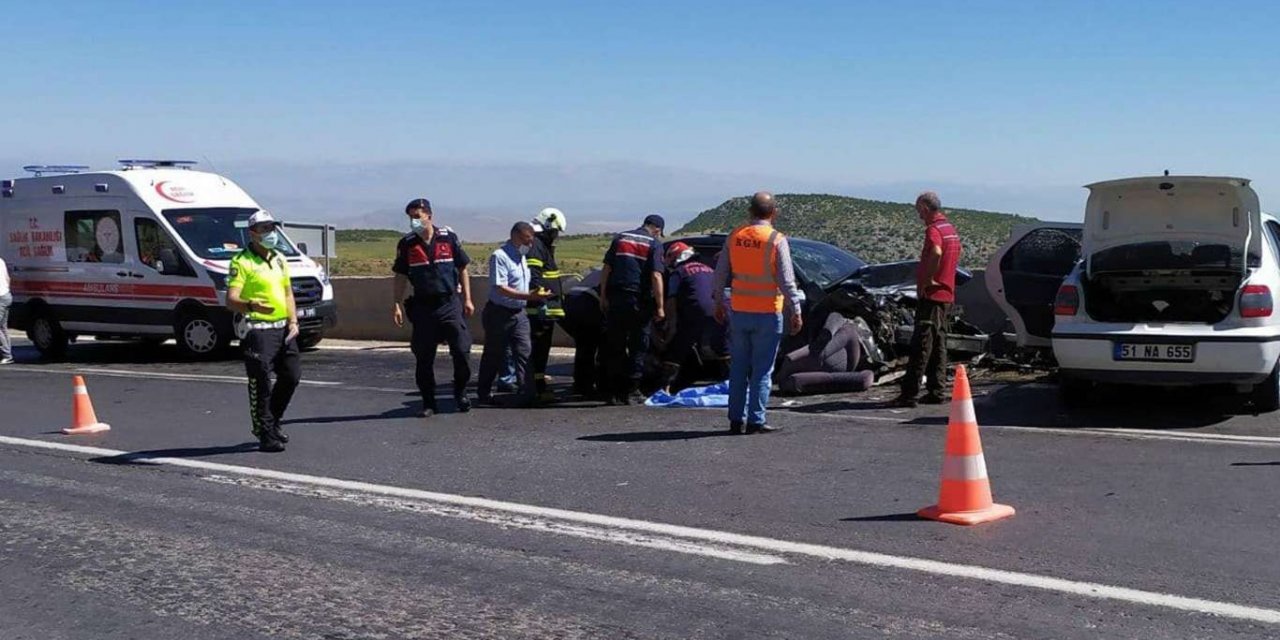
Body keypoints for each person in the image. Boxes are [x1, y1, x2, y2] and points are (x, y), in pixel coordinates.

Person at [713, 192, 804, 434]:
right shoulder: (775, 239)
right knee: (762, 370)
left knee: (739, 367)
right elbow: (787, 280)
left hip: (740, 311)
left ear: (750, 212)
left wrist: (719, 303)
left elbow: (720, 273)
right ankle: (755, 420)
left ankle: (735, 419)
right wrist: (795, 309)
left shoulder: (735, 236)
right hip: (767, 313)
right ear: (773, 213)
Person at [392, 198, 475, 418]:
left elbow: (463, 268)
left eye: (417, 217)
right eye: (410, 218)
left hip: (449, 304)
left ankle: (460, 393)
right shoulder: (407, 244)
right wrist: (396, 304)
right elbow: (400, 276)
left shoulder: (448, 239)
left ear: (429, 216)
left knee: (461, 350)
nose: (414, 222)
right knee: (424, 357)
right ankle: (429, 402)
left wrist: (467, 299)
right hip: (423, 307)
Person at [226, 210, 300, 452]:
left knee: (291, 376)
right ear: (253, 233)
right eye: (264, 229)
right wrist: (251, 305)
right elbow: (231, 299)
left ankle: (273, 421)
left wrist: (293, 321)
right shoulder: (242, 262)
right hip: (258, 330)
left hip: (283, 328)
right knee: (261, 383)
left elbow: (288, 293)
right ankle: (265, 432)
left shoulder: (279, 259)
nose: (270, 233)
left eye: (272, 228)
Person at [894, 191, 963, 408]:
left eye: (919, 211)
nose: (919, 216)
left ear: (925, 207)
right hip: (946, 294)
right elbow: (954, 253)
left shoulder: (934, 230)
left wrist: (929, 279)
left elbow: (935, 250)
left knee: (922, 344)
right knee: (939, 343)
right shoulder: (950, 230)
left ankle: (909, 394)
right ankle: (936, 389)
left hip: (933, 295)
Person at [476, 222, 548, 407]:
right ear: (516, 236)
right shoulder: (500, 256)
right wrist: (529, 296)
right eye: (526, 240)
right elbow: (500, 288)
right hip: (500, 313)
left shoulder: (521, 256)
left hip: (519, 313)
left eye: (531, 240)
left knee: (525, 352)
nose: (530, 244)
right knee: (494, 354)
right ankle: (483, 394)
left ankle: (528, 393)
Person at [599, 214, 665, 405]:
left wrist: (603, 296)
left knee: (615, 344)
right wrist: (660, 307)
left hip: (616, 298)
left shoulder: (620, 238)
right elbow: (656, 276)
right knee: (638, 345)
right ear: (658, 229)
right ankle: (632, 391)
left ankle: (612, 392)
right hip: (638, 300)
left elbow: (606, 269)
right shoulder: (654, 243)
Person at [658, 242, 729, 393]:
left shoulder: (679, 272)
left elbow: (671, 299)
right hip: (721, 311)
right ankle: (733, 385)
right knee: (723, 349)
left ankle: (665, 386)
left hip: (696, 312)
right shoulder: (709, 269)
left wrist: (671, 324)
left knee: (678, 347)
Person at [526, 207, 568, 403]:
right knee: (538, 350)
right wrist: (541, 301)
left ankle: (537, 386)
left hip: (546, 309)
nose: (556, 236)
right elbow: (534, 277)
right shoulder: (536, 246)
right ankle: (536, 390)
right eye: (555, 232)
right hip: (539, 310)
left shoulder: (542, 245)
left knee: (541, 350)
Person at [560, 269, 605, 397]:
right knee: (597, 346)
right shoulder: (614, 272)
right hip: (587, 304)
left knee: (584, 347)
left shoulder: (596, 270)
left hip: (569, 303)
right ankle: (593, 386)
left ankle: (581, 385)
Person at [0, 255, 12, 365]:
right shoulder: (1, 261)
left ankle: (7, 354)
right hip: (6, 295)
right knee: (3, 328)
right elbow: (8, 278)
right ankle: (7, 354)